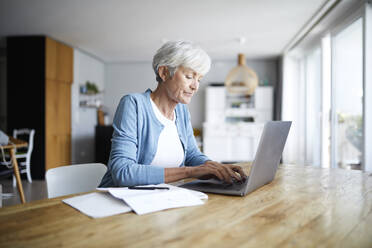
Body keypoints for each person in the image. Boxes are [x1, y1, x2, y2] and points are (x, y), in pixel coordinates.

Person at [99, 40, 247, 187]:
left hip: (164, 198)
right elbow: (123, 172)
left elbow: (192, 155)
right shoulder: (134, 104)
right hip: (122, 202)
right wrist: (189, 172)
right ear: (164, 73)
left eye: (199, 79)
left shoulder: (181, 111)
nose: (195, 86)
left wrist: (216, 168)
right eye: (189, 77)